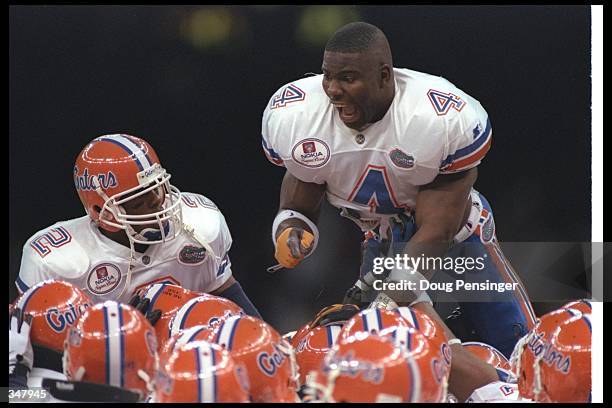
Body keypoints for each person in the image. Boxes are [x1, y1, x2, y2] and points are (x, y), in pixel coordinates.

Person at [261, 21, 537, 399]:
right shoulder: (300, 115)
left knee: (522, 353)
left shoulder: (437, 117)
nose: (333, 90)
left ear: (384, 75)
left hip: (458, 243)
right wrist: (292, 222)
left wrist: (393, 298)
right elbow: (302, 185)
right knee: (397, 360)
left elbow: (437, 229)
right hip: (381, 242)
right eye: (327, 76)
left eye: (347, 77)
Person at [15, 134, 260, 318]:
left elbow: (234, 310)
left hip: (186, 369)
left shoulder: (199, 224)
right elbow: (26, 360)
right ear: (101, 211)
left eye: (158, 189)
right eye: (141, 201)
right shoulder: (55, 261)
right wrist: (112, 334)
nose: (158, 204)